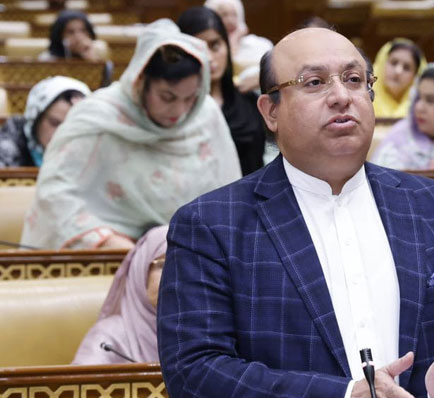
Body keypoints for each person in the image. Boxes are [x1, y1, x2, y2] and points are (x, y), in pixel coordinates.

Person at [158, 27, 434, 398]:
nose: (341, 97)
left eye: (354, 80)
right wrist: (343, 396)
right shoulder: (211, 224)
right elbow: (195, 373)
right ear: (271, 111)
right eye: (314, 82)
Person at [20, 19, 241, 250]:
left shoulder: (204, 114)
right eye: (167, 97)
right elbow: (55, 194)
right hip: (108, 256)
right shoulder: (98, 116)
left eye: (189, 98)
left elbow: (229, 200)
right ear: (140, 81)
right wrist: (107, 241)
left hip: (193, 255)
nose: (179, 111)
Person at [177, 6, 266, 175]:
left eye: (215, 45)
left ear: (226, 45)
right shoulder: (176, 109)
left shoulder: (249, 102)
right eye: (198, 48)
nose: (209, 57)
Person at [72, 225, 167, 365]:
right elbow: (80, 385)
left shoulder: (206, 330)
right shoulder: (110, 336)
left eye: (187, 266)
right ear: (140, 271)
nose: (175, 277)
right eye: (163, 266)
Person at [0, 76, 90, 167]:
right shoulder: (9, 144)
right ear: (36, 118)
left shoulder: (91, 148)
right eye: (54, 123)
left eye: (73, 126)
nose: (61, 132)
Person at [204, 0, 273, 93]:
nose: (230, 20)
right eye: (224, 15)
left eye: (234, 14)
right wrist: (233, 40)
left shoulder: (260, 44)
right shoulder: (206, 48)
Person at [372, 38, 426, 119]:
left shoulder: (422, 113)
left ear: (415, 77)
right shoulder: (363, 102)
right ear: (381, 64)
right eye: (393, 63)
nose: (398, 71)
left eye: (407, 68)